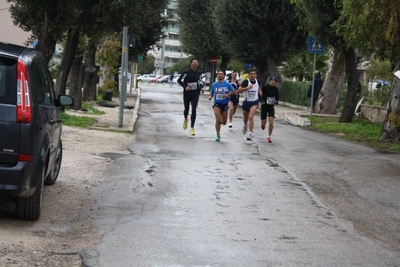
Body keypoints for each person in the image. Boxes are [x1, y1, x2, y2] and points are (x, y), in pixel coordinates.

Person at [208, 71, 236, 141]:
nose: (220, 75)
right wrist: (210, 96)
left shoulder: (227, 84)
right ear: (217, 75)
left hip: (225, 104)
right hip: (217, 103)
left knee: (224, 122)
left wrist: (228, 95)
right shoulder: (214, 84)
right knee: (217, 118)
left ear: (224, 76)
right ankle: (218, 134)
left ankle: (220, 120)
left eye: (222, 74)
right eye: (219, 74)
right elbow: (212, 92)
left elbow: (233, 91)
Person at [177, 59, 202, 136]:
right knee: (186, 109)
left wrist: (201, 88)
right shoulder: (186, 72)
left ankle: (192, 127)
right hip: (187, 93)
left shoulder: (199, 73)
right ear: (190, 64)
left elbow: (200, 82)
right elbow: (179, 80)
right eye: (194, 64)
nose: (195, 65)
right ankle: (185, 118)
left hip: (195, 93)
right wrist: (185, 87)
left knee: (194, 109)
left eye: (196, 64)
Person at [238, 69, 260, 141]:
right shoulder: (246, 81)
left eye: (254, 74)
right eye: (251, 74)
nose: (253, 75)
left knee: (251, 117)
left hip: (254, 101)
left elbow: (259, 89)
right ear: (249, 74)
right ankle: (245, 125)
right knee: (245, 118)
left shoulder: (258, 81)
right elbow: (239, 90)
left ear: (255, 74)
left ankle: (250, 133)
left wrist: (260, 92)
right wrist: (247, 88)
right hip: (247, 102)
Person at [260, 76, 279, 143]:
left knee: (271, 121)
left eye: (274, 81)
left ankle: (269, 136)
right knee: (263, 122)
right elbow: (260, 95)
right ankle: (263, 124)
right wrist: (262, 101)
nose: (273, 82)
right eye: (272, 80)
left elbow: (277, 97)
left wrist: (276, 101)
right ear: (269, 81)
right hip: (264, 106)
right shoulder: (265, 87)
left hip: (271, 107)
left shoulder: (276, 89)